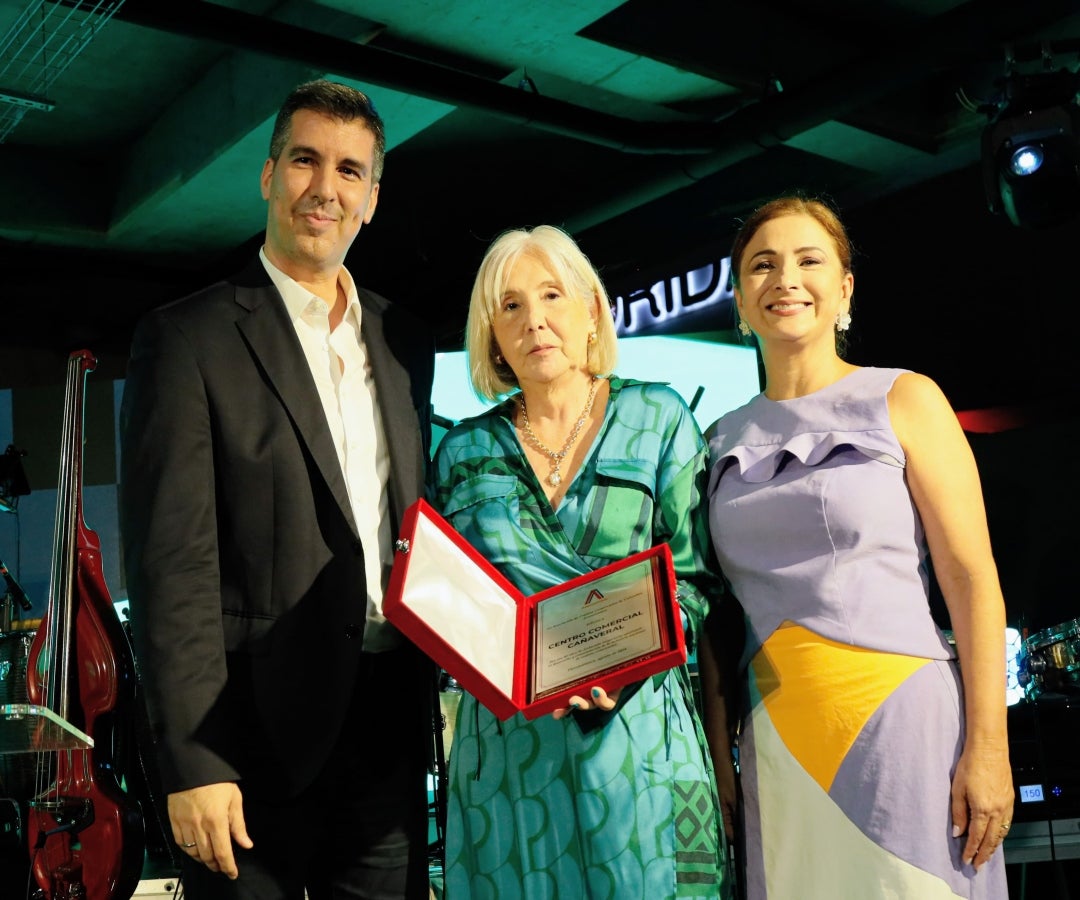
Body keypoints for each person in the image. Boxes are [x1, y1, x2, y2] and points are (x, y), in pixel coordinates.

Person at [119, 80, 436, 898]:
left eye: (349, 170)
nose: (324, 188)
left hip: (387, 735)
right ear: (267, 177)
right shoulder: (186, 339)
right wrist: (193, 762)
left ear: (371, 198)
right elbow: (171, 569)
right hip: (250, 744)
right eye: (304, 159)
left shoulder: (405, 343)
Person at [704, 194, 1013, 898]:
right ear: (740, 298)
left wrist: (989, 747)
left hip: (902, 725)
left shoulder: (904, 398)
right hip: (777, 736)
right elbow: (712, 616)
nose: (785, 278)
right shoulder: (718, 437)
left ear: (843, 288)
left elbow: (971, 578)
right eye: (762, 265)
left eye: (808, 260)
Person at [430, 224, 735, 899]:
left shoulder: (659, 419)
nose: (534, 320)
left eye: (551, 295)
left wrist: (623, 670)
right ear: (491, 333)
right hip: (509, 758)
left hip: (638, 739)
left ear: (591, 309)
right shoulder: (461, 454)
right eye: (510, 306)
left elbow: (692, 581)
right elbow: (451, 601)